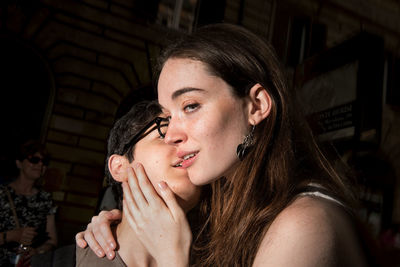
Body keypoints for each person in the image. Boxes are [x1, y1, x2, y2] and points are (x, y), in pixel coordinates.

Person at [77, 23, 373, 266]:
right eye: (167, 118)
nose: (171, 135)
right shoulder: (228, 207)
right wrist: (120, 228)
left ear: (256, 105)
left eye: (190, 106)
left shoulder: (302, 226)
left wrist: (171, 258)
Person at [76, 100, 203, 266]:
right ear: (119, 167)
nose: (188, 145)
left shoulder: (229, 258)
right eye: (163, 133)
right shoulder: (62, 261)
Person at [0, 140, 57, 266]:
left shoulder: (45, 199)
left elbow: (52, 241)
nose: (40, 164)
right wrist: (11, 236)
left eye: (44, 161)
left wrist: (37, 251)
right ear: (19, 163)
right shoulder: (2, 194)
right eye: (34, 160)